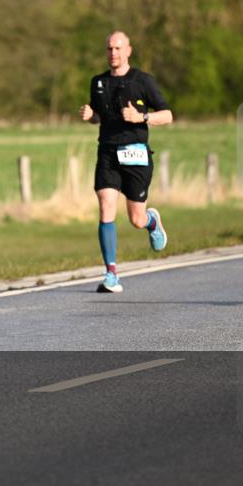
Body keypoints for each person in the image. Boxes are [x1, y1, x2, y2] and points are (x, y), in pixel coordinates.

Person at [79, 31, 172, 293]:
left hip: (136, 154)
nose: (113, 53)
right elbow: (100, 118)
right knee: (106, 206)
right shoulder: (98, 82)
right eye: (109, 48)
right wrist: (91, 115)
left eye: (118, 48)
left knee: (136, 219)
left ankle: (152, 221)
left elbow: (167, 115)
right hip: (107, 152)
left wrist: (141, 118)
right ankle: (111, 274)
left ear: (128, 50)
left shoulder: (143, 81)